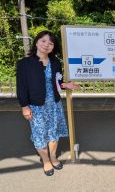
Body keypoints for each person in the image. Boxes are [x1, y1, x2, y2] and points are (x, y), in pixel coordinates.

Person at [16, 31, 79, 176]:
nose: (47, 45)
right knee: (40, 135)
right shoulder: (24, 64)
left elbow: (57, 82)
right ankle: (45, 160)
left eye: (51, 43)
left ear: (53, 47)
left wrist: (66, 86)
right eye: (43, 41)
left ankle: (53, 157)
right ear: (37, 42)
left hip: (54, 105)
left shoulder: (55, 62)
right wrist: (24, 106)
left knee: (53, 133)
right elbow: (21, 87)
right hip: (36, 107)